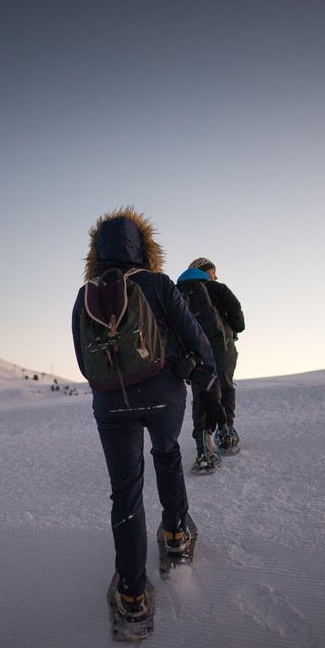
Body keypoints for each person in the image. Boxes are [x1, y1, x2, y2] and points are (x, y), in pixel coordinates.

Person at [72, 207, 225, 622]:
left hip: (110, 404)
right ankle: (176, 534)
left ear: (96, 253)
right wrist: (207, 382)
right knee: (167, 453)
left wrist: (113, 390)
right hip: (164, 398)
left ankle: (133, 593)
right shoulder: (158, 284)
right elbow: (196, 338)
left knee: (125, 490)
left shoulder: (86, 294)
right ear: (144, 247)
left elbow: (84, 364)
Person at [176, 257, 245, 458]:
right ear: (206, 271)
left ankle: (203, 444)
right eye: (213, 271)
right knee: (225, 385)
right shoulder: (218, 289)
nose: (215, 275)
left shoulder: (177, 293)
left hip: (193, 351)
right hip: (221, 346)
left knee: (201, 392)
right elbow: (239, 322)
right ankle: (226, 434)